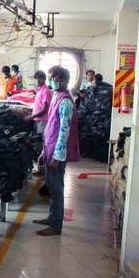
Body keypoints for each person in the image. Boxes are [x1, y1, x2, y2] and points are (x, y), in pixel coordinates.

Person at [34, 66, 80, 236]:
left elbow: (64, 132)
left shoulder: (65, 102)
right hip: (49, 148)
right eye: (50, 78)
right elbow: (51, 127)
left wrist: (57, 156)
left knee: (56, 189)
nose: (52, 81)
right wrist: (43, 152)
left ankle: (55, 226)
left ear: (65, 80)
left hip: (56, 153)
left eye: (55, 78)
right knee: (51, 187)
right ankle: (52, 217)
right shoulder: (55, 97)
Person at [25, 71, 53, 175]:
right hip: (38, 121)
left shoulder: (45, 91)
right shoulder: (40, 90)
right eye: (36, 78)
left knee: (42, 145)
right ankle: (40, 168)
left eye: (39, 78)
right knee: (38, 144)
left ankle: (43, 169)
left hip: (43, 121)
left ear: (44, 79)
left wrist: (31, 117)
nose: (37, 80)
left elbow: (44, 109)